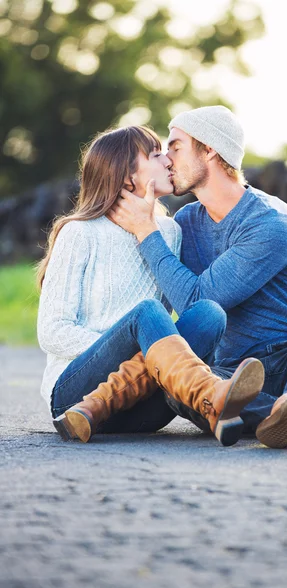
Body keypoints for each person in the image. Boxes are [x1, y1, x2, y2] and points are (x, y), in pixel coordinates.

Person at [108, 106, 287, 448]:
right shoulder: (185, 222)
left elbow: (197, 300)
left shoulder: (270, 223)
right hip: (232, 379)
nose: (167, 159)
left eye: (175, 147)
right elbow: (176, 301)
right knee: (178, 386)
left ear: (210, 149)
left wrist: (146, 231)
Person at [37, 125, 265, 447]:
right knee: (146, 313)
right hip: (73, 397)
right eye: (156, 154)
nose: (169, 161)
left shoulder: (170, 233)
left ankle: (205, 395)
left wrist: (147, 346)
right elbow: (52, 331)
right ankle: (210, 393)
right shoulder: (81, 233)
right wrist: (129, 344)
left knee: (209, 314)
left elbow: (172, 323)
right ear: (128, 175)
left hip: (142, 411)